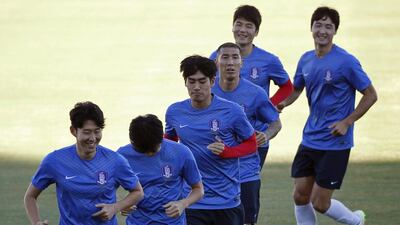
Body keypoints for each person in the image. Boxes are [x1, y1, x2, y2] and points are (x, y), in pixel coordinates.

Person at [277, 6, 377, 225]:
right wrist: (282, 103)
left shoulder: (346, 61)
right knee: (300, 195)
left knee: (320, 203)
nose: (322, 30)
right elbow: (296, 89)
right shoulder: (306, 59)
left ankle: (356, 221)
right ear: (311, 28)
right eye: (318, 25)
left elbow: (371, 94)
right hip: (310, 137)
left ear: (335, 31)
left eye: (328, 26)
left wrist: (347, 121)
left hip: (335, 143)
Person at [165, 55, 257, 225]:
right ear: (185, 82)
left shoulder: (232, 111)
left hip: (226, 201)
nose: (197, 87)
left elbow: (252, 144)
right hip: (192, 200)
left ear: (212, 81)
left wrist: (229, 152)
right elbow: (168, 145)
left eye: (202, 81)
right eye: (191, 81)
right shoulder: (174, 112)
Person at [24, 101, 144, 225]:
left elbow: (138, 192)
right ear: (73, 131)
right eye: (87, 132)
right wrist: (36, 222)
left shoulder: (115, 161)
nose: (92, 138)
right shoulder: (55, 161)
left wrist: (115, 207)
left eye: (97, 131)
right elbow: (30, 196)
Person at [210, 4, 293, 169]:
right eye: (239, 24)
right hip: (223, 136)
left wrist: (270, 105)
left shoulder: (269, 60)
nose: (243, 30)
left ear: (256, 32)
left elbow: (287, 87)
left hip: (255, 134)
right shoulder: (216, 57)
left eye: (249, 26)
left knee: (247, 184)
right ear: (232, 27)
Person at [211, 42, 282, 225]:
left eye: (235, 57)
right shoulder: (207, 92)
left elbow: (275, 123)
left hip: (246, 171)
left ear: (241, 63)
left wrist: (265, 135)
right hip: (215, 172)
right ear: (217, 62)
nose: (230, 62)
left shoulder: (255, 93)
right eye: (225, 57)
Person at [117, 114, 204, 225]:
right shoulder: (122, 156)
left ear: (162, 137)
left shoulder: (181, 152)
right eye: (142, 151)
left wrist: (183, 203)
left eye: (153, 150)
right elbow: (106, 189)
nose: (149, 154)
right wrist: (122, 205)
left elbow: (198, 189)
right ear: (132, 142)